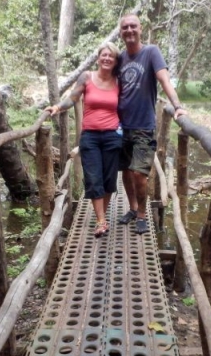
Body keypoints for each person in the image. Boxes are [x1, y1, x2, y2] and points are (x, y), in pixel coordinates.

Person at [117, 13, 187, 234]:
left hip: (143, 126)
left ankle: (142, 215)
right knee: (126, 172)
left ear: (141, 28)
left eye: (133, 26)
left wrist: (177, 106)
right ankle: (132, 207)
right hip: (121, 127)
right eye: (125, 27)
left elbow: (164, 80)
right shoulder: (120, 58)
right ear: (121, 32)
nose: (129, 30)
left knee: (140, 174)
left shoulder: (151, 52)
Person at [46, 42, 121, 238]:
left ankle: (101, 217)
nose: (106, 59)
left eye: (111, 56)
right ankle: (101, 221)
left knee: (108, 180)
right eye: (103, 55)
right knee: (94, 178)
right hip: (90, 137)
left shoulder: (119, 81)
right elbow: (73, 97)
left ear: (115, 61)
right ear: (98, 58)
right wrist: (58, 107)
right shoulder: (87, 77)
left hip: (113, 136)